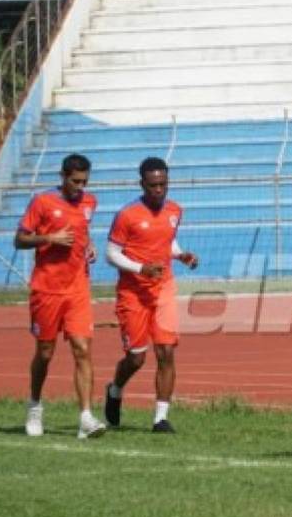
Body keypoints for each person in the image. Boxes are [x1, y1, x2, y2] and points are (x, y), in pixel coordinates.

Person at [103, 157, 199, 433]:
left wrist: (181, 255)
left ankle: (161, 418)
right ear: (142, 184)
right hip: (133, 292)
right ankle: (115, 389)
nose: (159, 190)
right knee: (136, 358)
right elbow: (111, 254)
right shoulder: (127, 215)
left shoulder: (174, 210)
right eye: (153, 185)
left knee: (166, 351)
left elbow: (167, 241)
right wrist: (141, 268)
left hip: (164, 288)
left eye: (163, 184)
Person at [13, 153, 105, 440]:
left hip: (77, 287)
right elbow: (19, 239)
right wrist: (48, 239)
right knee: (45, 352)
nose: (80, 187)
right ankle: (35, 405)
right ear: (63, 177)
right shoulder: (42, 202)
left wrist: (89, 246)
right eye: (76, 181)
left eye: (84, 182)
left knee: (82, 348)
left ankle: (86, 418)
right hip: (47, 289)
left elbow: (82, 232)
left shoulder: (90, 203)